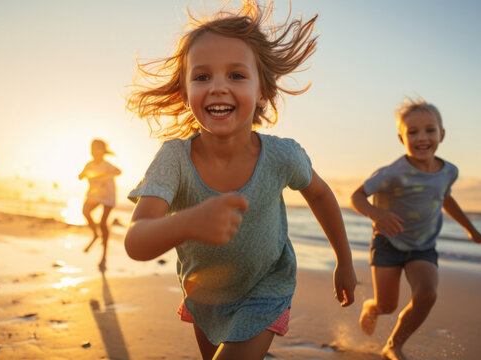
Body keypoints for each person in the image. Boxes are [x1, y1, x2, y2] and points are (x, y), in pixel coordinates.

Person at [124, 1, 356, 359]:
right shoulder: (174, 160)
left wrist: (344, 259)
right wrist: (190, 222)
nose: (218, 87)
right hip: (204, 292)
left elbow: (322, 195)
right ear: (186, 94)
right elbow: (136, 242)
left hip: (267, 287)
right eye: (202, 77)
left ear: (263, 90)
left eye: (236, 75)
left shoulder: (282, 156)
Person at [349, 97, 481, 360]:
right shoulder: (392, 172)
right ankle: (373, 308)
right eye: (412, 132)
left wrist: (472, 230)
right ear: (401, 137)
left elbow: (445, 198)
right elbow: (356, 196)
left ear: (442, 134)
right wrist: (377, 213)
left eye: (429, 130)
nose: (422, 138)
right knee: (387, 305)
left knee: (427, 295)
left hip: (423, 246)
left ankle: (394, 345)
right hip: (388, 243)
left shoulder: (448, 171)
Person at [78, 138, 121, 271]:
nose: (94, 151)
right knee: (85, 211)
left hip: (108, 195)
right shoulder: (89, 164)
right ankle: (95, 234)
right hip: (95, 194)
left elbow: (118, 171)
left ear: (103, 151)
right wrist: (83, 174)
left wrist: (105, 174)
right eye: (92, 148)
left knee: (103, 223)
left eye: (97, 148)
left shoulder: (106, 164)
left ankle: (104, 257)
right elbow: (81, 175)